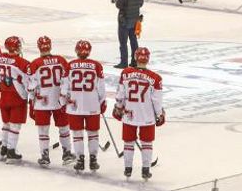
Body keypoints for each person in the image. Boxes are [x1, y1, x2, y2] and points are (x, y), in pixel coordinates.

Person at [114, 46, 164, 180]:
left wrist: (118, 107)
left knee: (128, 143)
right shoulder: (156, 78)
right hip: (147, 116)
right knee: (147, 143)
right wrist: (160, 114)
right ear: (148, 59)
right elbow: (156, 101)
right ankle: (145, 170)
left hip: (129, 114)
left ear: (135, 58)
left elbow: (120, 94)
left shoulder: (125, 73)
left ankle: (128, 169)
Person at [26, 36, 73, 167]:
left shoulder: (34, 63)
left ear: (38, 47)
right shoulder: (61, 60)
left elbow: (30, 87)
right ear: (50, 46)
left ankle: (45, 156)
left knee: (43, 130)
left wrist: (31, 103)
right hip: (59, 101)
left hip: (42, 102)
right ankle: (67, 154)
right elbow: (68, 80)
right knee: (64, 128)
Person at [62, 40, 104, 173]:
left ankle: (80, 160)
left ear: (76, 51)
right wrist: (102, 102)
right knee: (93, 134)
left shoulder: (70, 65)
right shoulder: (96, 65)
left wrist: (64, 101)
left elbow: (64, 88)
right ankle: (93, 160)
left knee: (77, 134)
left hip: (75, 105)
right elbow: (101, 88)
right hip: (92, 104)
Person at [0, 36, 30, 162]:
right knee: (15, 126)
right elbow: (27, 83)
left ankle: (4, 148)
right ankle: (11, 151)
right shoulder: (23, 63)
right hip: (17, 97)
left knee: (6, 124)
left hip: (4, 96)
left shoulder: (1, 58)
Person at [113, 0, 143, 68]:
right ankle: (135, 61)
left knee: (123, 43)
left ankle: (124, 62)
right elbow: (140, 4)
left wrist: (117, 1)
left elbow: (119, 5)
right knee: (133, 41)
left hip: (124, 21)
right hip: (135, 20)